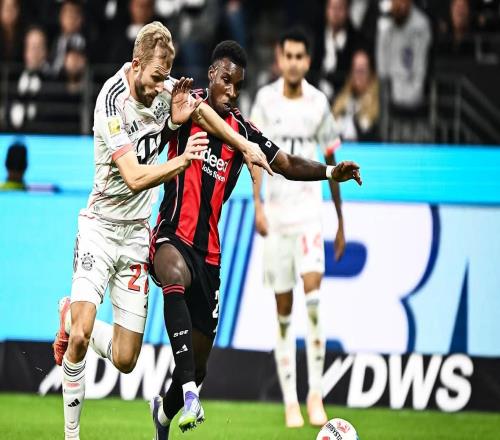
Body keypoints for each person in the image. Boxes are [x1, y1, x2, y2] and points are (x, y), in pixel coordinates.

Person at [51, 21, 273, 440]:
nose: (160, 88)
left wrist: (243, 145)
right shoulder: (111, 103)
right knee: (79, 334)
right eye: (155, 77)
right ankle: (71, 434)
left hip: (136, 235)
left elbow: (205, 114)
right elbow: (135, 177)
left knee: (126, 359)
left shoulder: (165, 87)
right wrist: (183, 158)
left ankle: (69, 316)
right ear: (136, 65)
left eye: (165, 78)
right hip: (101, 227)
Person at [148, 39, 361, 439]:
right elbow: (155, 134)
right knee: (171, 274)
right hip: (172, 233)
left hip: (209, 255)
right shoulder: (186, 102)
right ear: (212, 74)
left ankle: (166, 410)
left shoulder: (243, 131)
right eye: (226, 81)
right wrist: (174, 124)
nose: (231, 91)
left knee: (200, 362)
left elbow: (287, 163)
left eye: (238, 86)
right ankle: (191, 394)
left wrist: (330, 172)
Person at [251, 28, 344, 428]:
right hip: (276, 219)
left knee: (315, 303)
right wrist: (257, 205)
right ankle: (291, 401)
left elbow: (332, 162)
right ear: (280, 58)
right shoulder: (264, 101)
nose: (292, 63)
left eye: (299, 56)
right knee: (284, 313)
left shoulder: (319, 103)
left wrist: (340, 221)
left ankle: (315, 394)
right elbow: (254, 156)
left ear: (307, 61)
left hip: (309, 217)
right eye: (287, 56)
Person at [376, 0, 432, 110]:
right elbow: (381, 59)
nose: (399, 6)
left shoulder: (420, 24)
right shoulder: (385, 22)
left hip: (413, 97)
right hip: (388, 94)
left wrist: (414, 92)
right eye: (395, 2)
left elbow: (420, 65)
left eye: (402, 2)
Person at [333, 49, 380, 141]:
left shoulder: (377, 103)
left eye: (362, 70)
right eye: (356, 70)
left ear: (370, 73)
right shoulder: (342, 100)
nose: (358, 76)